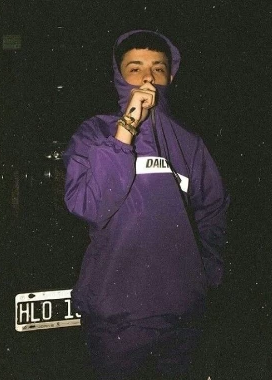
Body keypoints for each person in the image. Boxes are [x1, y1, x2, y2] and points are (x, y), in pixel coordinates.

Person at [63, 30, 229, 380]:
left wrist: (203, 279)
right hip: (115, 319)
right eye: (135, 68)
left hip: (181, 318)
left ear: (171, 77)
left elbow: (213, 213)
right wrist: (127, 127)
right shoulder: (94, 133)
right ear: (119, 76)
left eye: (158, 69)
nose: (148, 78)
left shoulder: (189, 143)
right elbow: (88, 205)